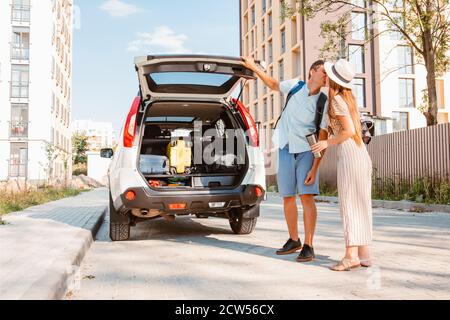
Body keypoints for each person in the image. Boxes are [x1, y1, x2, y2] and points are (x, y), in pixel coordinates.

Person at [242, 57, 328, 262]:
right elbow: (272, 83)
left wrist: (315, 168)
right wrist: (253, 67)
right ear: (312, 71)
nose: (326, 77)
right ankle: (293, 240)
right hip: (285, 147)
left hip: (307, 151)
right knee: (288, 196)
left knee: (306, 196)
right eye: (324, 72)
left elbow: (322, 137)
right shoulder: (295, 86)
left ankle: (308, 245)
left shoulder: (324, 102)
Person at [311, 59, 373, 271]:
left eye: (327, 74)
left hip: (349, 153)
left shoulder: (336, 100)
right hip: (360, 153)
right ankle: (364, 254)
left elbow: (347, 131)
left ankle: (350, 256)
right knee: (361, 204)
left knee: (349, 204)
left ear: (333, 79)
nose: (325, 76)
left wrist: (326, 142)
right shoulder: (347, 98)